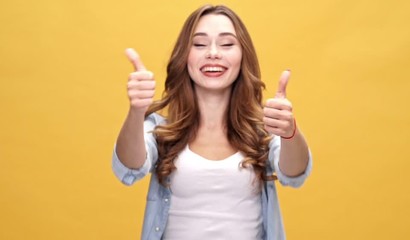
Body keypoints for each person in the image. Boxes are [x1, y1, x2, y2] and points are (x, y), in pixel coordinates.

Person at [112, 4, 312, 240]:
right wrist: (136, 111)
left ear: (242, 56)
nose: (213, 53)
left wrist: (289, 131)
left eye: (227, 44)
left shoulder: (264, 131)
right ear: (184, 56)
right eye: (199, 44)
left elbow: (295, 174)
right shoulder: (160, 128)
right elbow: (128, 169)